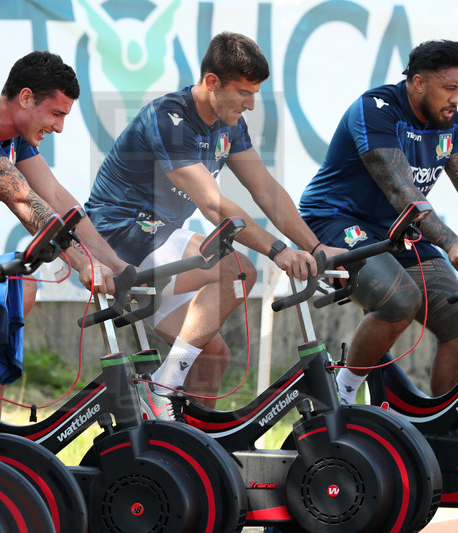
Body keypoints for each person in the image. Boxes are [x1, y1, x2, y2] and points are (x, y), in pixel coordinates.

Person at [85, 32, 343, 417]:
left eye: (254, 93)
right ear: (211, 83)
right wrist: (277, 250)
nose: (250, 104)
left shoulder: (230, 123)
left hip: (158, 241)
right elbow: (211, 204)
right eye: (243, 92)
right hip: (117, 236)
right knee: (237, 269)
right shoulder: (168, 118)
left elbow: (267, 190)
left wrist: (316, 247)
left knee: (212, 356)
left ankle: (191, 449)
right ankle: (162, 389)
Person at [299, 39, 458, 404]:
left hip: (399, 230)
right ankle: (340, 398)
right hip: (336, 220)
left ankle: (440, 429)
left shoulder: (452, 123)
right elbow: (402, 191)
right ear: (418, 82)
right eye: (449, 88)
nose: (456, 98)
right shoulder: (376, 109)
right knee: (400, 299)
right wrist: (451, 242)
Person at [0, 50, 129, 417]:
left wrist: (117, 266)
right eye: (57, 114)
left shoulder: (16, 138)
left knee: (14, 283)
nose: (60, 127)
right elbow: (23, 199)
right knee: (12, 285)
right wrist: (82, 262)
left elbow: (59, 200)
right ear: (27, 97)